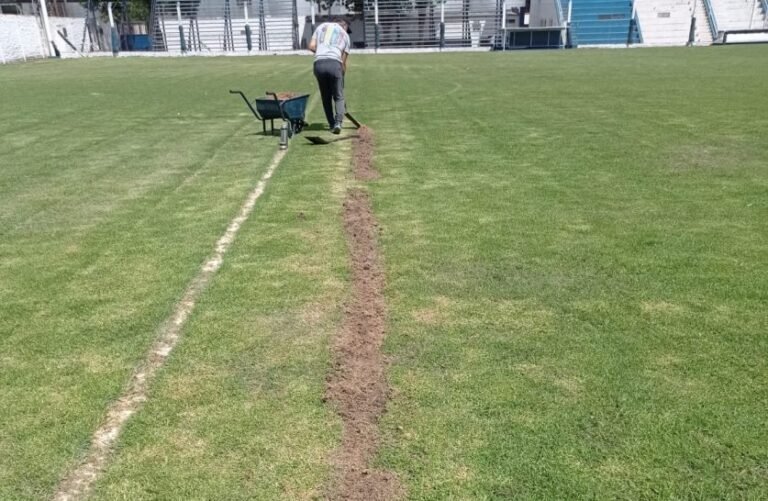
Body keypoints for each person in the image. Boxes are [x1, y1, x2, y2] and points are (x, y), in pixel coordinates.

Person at [308, 18, 351, 134]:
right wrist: (342, 79)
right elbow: (343, 63)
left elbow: (311, 46)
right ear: (344, 27)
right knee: (338, 96)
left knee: (325, 97)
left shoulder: (321, 26)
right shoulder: (345, 36)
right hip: (335, 63)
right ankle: (338, 123)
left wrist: (323, 51)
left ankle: (331, 123)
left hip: (318, 64)